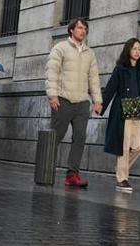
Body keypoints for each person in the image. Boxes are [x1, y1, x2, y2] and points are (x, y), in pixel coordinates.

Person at [46, 18, 102, 188]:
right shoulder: (60, 48)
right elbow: (52, 72)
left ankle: (72, 175)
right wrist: (53, 95)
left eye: (85, 28)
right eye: (79, 28)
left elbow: (94, 78)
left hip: (82, 103)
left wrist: (97, 101)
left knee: (80, 138)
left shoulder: (89, 53)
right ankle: (45, 169)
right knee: (55, 137)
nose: (82, 31)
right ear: (71, 30)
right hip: (63, 100)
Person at [100, 38, 140, 193]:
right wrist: (100, 106)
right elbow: (110, 89)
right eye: (134, 48)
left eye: (139, 49)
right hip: (122, 113)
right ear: (128, 50)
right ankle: (122, 179)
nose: (137, 52)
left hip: (139, 114)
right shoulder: (120, 70)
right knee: (123, 147)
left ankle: (120, 168)